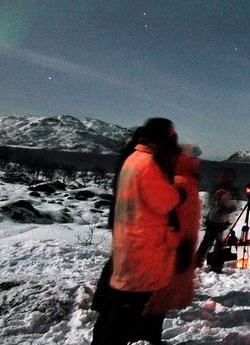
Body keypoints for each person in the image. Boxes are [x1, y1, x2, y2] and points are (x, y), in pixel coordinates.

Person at [91, 117, 184, 345]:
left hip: (131, 240)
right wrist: (178, 193)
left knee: (117, 305)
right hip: (142, 246)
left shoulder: (134, 157)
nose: (175, 138)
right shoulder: (149, 164)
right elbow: (164, 201)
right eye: (172, 133)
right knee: (125, 311)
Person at [137, 145, 203, 345]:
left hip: (177, 250)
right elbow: (163, 219)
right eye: (194, 158)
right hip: (170, 252)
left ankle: (147, 336)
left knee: (159, 302)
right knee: (156, 301)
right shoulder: (179, 185)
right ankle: (146, 338)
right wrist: (178, 246)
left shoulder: (184, 184)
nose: (198, 162)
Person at [194, 167, 238, 272]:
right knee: (213, 243)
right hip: (216, 220)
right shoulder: (220, 190)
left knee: (211, 242)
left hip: (217, 220)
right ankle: (211, 265)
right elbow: (217, 206)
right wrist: (229, 208)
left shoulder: (221, 188)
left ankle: (202, 263)